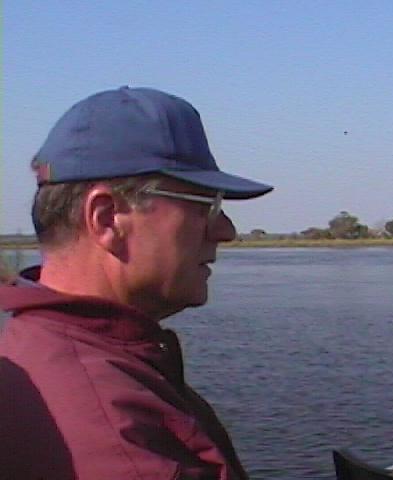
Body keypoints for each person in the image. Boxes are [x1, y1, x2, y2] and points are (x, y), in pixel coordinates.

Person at [0, 86, 273, 480]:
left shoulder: (40, 345)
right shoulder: (119, 441)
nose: (226, 231)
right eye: (206, 205)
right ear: (108, 218)